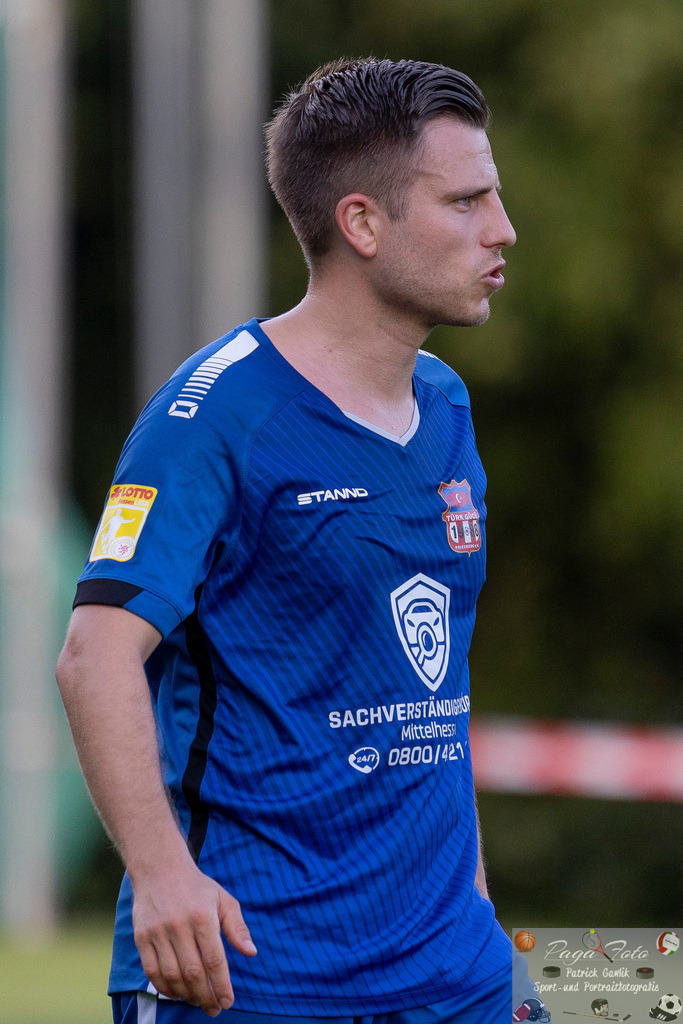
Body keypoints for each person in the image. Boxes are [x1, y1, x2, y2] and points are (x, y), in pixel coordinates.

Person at [57, 57, 535, 1024]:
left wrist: (474, 888)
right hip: (255, 975)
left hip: (456, 968)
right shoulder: (213, 415)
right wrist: (160, 877)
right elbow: (92, 656)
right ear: (362, 223)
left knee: (641, 985)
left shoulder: (446, 405)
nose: (502, 230)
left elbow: (428, 683)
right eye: (466, 201)